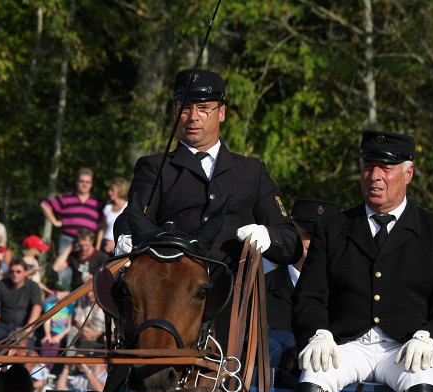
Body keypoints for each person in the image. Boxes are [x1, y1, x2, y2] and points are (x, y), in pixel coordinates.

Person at [290, 130, 433, 392]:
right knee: (314, 370)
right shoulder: (334, 227)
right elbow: (309, 296)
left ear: (408, 174)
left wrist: (429, 337)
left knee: (423, 374)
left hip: (405, 347)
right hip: (348, 343)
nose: (374, 177)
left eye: (386, 169)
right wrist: (318, 333)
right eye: (368, 166)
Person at [115, 68, 301, 274]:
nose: (193, 117)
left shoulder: (252, 172)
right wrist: (126, 236)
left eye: (203, 108)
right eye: (184, 108)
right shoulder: (155, 167)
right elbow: (134, 215)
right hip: (173, 287)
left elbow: (291, 241)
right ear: (175, 113)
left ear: (221, 113)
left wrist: (268, 236)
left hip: (233, 292)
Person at [265, 198, 337, 371]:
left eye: (324, 237)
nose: (316, 245)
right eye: (309, 236)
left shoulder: (348, 293)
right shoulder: (260, 289)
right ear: (292, 235)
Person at [41, 168, 104, 253]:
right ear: (77, 182)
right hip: (68, 240)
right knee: (63, 266)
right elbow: (45, 205)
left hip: (88, 243)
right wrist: (55, 222)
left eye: (87, 182)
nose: (84, 184)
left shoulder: (98, 202)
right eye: (82, 181)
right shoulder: (66, 198)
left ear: (91, 184)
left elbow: (105, 221)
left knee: (85, 266)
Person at [0, 259, 42, 343]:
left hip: (22, 327)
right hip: (2, 326)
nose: (15, 274)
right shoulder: (2, 284)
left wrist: (29, 327)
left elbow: (37, 307)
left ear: (25, 272)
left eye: (18, 272)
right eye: (12, 271)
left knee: (22, 350)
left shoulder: (33, 286)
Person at [102, 177, 129, 254]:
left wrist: (115, 243)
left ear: (120, 191)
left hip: (119, 246)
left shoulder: (127, 207)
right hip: (104, 245)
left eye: (112, 190)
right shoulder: (107, 208)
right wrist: (97, 248)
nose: (109, 193)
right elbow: (102, 229)